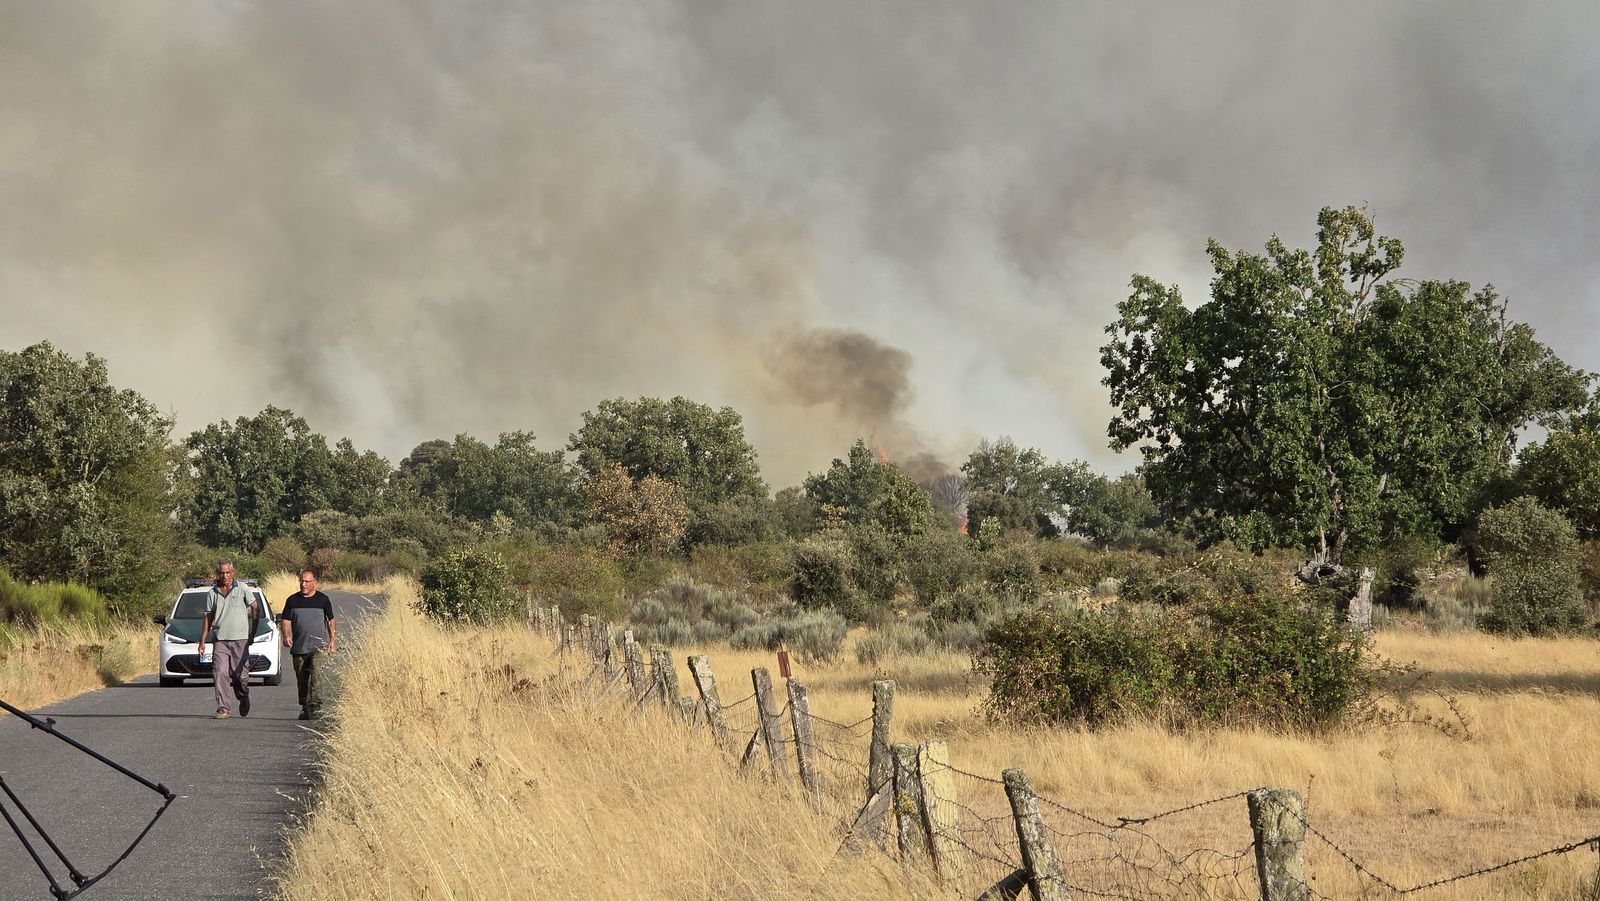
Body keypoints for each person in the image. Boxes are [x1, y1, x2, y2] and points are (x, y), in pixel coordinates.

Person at [197, 560, 261, 720]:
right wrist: (202, 640)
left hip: (240, 639)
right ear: (217, 574)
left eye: (227, 572)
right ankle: (223, 707)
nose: (224, 576)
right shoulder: (212, 593)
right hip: (220, 639)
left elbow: (255, 607)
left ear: (233, 573)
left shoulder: (242, 589)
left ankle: (243, 696)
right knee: (220, 673)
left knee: (239, 676)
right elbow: (208, 617)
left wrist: (253, 631)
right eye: (221, 573)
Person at [280, 569, 336, 720]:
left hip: (319, 646)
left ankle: (315, 706)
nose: (303, 584)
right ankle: (305, 706)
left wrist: (332, 639)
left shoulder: (323, 600)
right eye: (301, 581)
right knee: (302, 678)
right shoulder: (292, 600)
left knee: (317, 673)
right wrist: (286, 635)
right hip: (299, 647)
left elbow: (331, 620)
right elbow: (285, 620)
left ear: (314, 583)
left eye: (306, 581)